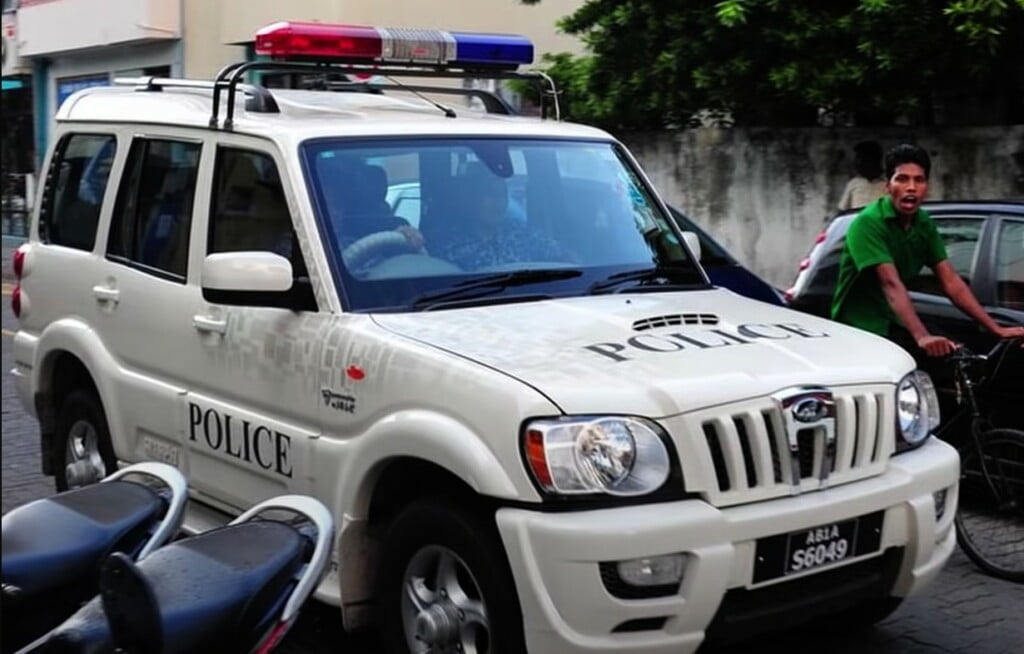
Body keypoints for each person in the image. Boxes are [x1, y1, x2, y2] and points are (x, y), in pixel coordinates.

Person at [831, 143, 1024, 361]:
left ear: (926, 187)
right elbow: (891, 284)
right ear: (888, 186)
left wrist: (995, 328)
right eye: (902, 179)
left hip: (896, 322)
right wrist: (922, 337)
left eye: (919, 180)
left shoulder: (924, 224)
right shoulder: (868, 223)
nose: (911, 187)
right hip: (861, 330)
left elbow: (951, 281)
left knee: (960, 359)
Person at [434, 167, 568, 270]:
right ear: (472, 199)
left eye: (502, 194)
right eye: (490, 194)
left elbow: (564, 257)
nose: (498, 201)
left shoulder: (522, 234)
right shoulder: (450, 246)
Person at [837, 140, 886, 211]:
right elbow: (842, 211)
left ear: (874, 159)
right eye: (856, 158)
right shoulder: (853, 183)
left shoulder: (890, 185)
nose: (856, 163)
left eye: (861, 158)